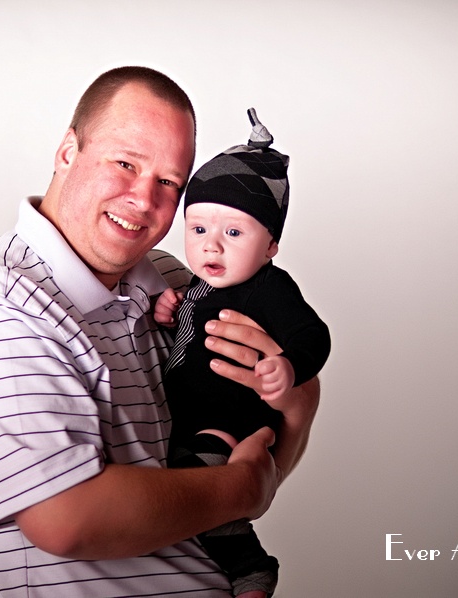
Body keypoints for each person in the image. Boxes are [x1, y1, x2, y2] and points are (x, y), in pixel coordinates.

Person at [0, 66, 320, 597]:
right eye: (126, 163)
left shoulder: (179, 285)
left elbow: (247, 456)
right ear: (68, 152)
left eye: (169, 182)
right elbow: (68, 519)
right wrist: (241, 490)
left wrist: (298, 403)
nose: (145, 198)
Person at [154, 109, 331, 597]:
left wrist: (288, 366)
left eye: (233, 233)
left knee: (197, 493)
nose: (212, 246)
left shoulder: (269, 289)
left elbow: (313, 334)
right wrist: (171, 309)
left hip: (234, 422)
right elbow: (192, 322)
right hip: (194, 421)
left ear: (271, 244)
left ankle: (252, 569)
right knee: (198, 502)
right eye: (198, 230)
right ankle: (244, 568)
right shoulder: (196, 284)